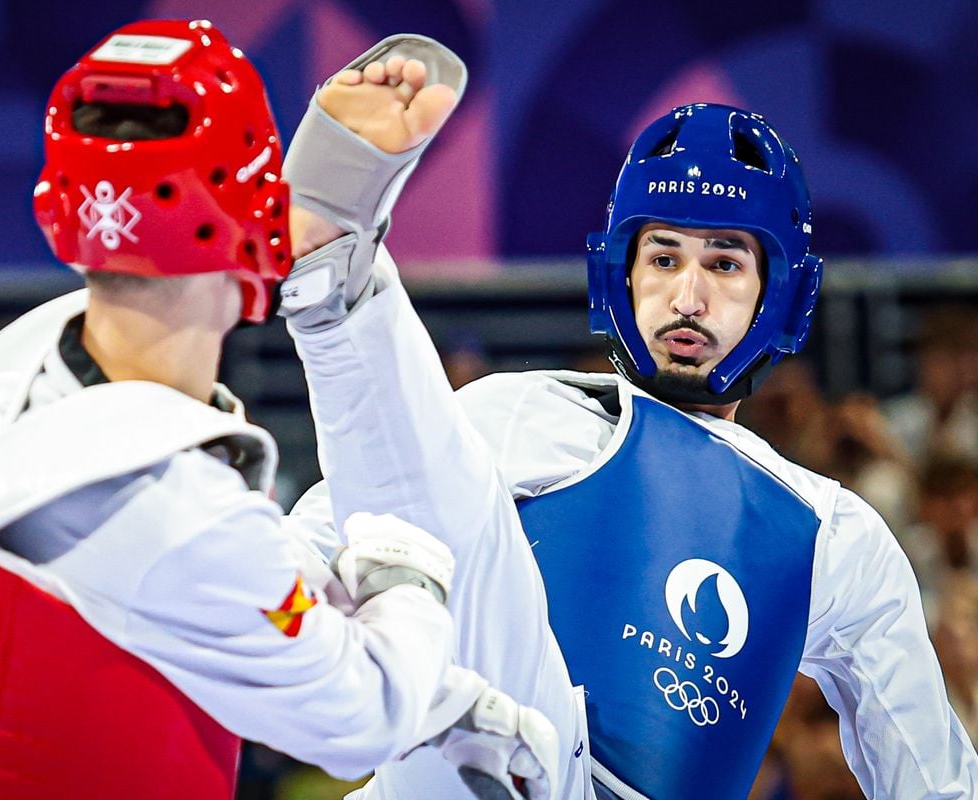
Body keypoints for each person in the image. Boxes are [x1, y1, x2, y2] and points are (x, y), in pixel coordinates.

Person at [277, 37, 978, 799]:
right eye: (664, 257)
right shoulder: (520, 412)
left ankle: (336, 273)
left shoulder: (833, 534)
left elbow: (931, 777)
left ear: (781, 293)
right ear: (621, 273)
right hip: (456, 764)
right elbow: (317, 546)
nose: (686, 298)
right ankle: (333, 265)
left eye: (725, 264)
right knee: (431, 533)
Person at [0, 21, 557, 800]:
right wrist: (410, 575)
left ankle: (324, 265)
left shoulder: (5, 371)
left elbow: (209, 589)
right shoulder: (170, 510)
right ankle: (327, 266)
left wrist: (453, 702)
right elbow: (360, 722)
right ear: (255, 215)